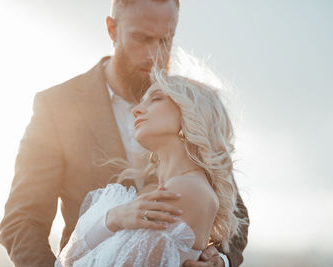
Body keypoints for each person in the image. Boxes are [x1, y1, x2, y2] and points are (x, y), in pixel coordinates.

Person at [0, 0, 249, 266]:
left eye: (166, 40)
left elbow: (233, 210)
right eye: (142, 38)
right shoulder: (57, 107)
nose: (155, 55)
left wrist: (219, 260)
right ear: (112, 29)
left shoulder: (189, 106)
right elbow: (23, 220)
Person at [55, 71, 246, 266]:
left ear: (190, 113)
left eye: (155, 99)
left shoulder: (185, 192)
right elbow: (67, 259)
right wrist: (113, 218)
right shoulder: (159, 192)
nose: (136, 109)